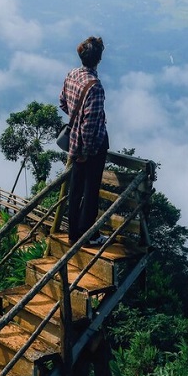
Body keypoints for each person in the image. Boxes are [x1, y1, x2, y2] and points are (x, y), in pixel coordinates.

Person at [60, 36, 109, 245]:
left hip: (73, 143)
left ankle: (73, 234)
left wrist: (75, 119)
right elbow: (90, 125)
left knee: (75, 189)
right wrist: (86, 151)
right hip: (92, 146)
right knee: (90, 191)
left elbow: (62, 102)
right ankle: (88, 235)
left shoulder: (72, 75)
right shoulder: (95, 86)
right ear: (98, 59)